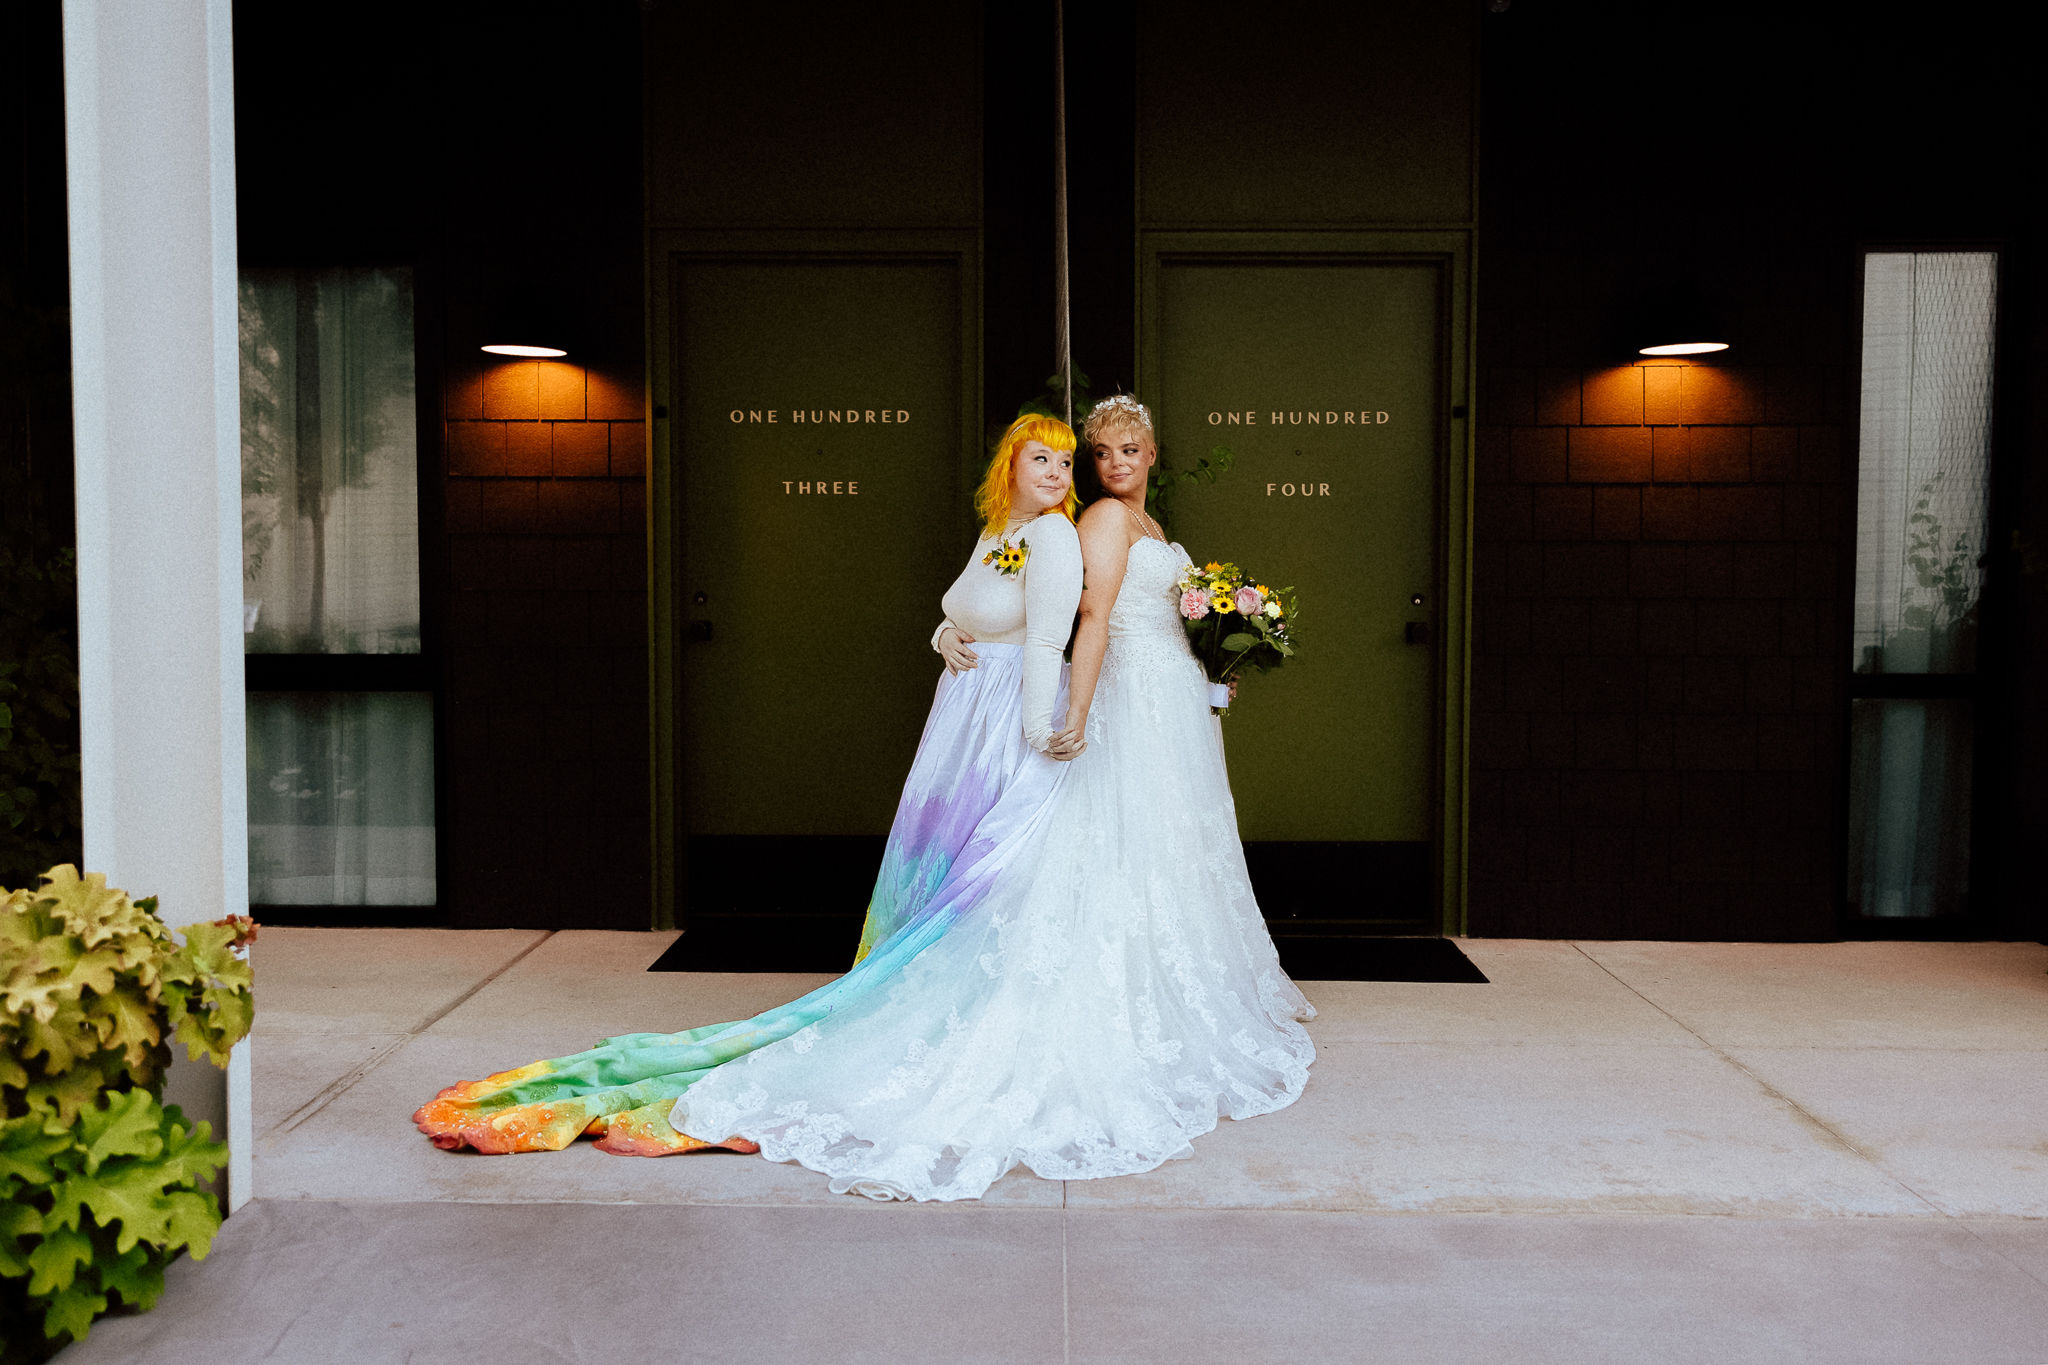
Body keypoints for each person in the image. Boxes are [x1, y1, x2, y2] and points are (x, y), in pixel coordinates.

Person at [660, 395, 1314, 1200]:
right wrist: (1067, 712)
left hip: (1172, 702)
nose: (1109, 467)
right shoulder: (1099, 524)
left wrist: (1217, 662)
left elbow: (1158, 620)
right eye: (1096, 454)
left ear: (1153, 453)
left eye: (1122, 452)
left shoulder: (1146, 530)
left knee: (1175, 844)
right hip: (1129, 705)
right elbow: (1087, 622)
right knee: (1123, 842)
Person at [412, 413, 1086, 1155]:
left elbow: (1048, 641)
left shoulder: (1054, 535)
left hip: (1001, 729)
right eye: (1040, 458)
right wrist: (942, 634)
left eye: (1065, 461)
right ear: (1010, 467)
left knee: (973, 879)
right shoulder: (999, 529)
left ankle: (956, 1010)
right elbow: (966, 607)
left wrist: (1031, 742)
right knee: (929, 879)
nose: (1056, 472)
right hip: (964, 721)